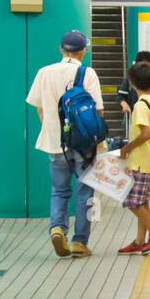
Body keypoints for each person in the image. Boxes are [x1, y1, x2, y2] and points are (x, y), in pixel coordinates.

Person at [25, 30, 103, 259]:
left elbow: (39, 108)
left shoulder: (44, 72)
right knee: (85, 192)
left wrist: (54, 129)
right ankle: (80, 242)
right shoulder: (87, 73)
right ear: (83, 51)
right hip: (83, 145)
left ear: (61, 49)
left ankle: (58, 228)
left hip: (55, 144)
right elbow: (98, 110)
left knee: (59, 190)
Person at [117, 61, 150, 255]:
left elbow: (145, 134)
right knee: (143, 202)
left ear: (131, 83)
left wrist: (126, 148)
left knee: (132, 201)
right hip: (149, 158)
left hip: (141, 160)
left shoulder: (139, 106)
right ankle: (139, 241)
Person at [118, 51, 150, 134]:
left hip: (149, 121)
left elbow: (145, 135)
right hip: (132, 118)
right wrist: (124, 104)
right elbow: (120, 96)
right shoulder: (129, 79)